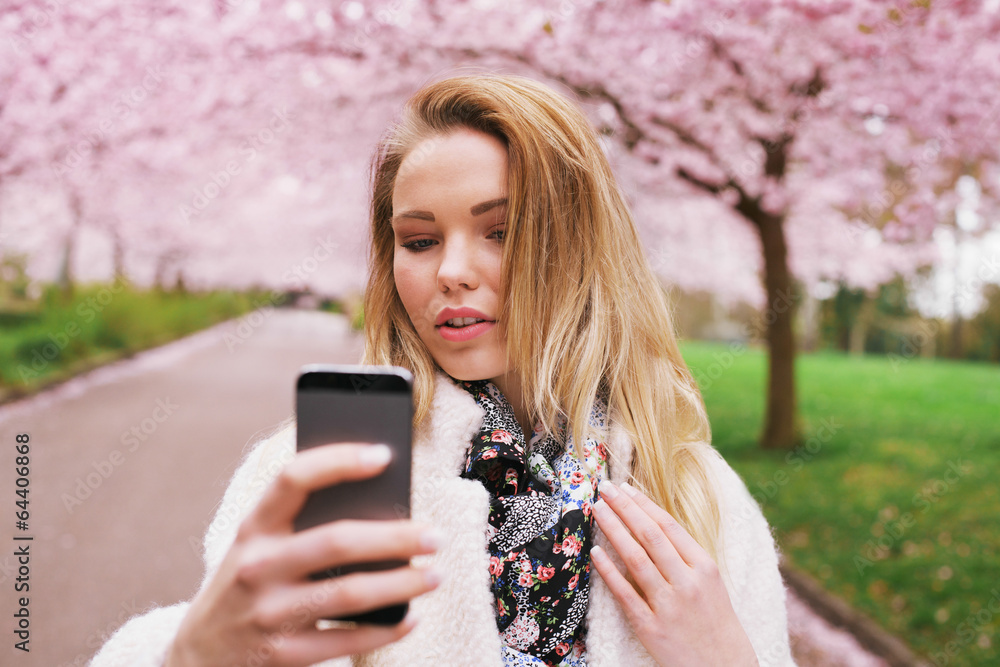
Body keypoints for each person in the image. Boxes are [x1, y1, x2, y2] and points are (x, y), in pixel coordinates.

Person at [92, 74, 795, 667]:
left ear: (579, 247)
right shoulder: (324, 477)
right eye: (420, 240)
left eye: (501, 231)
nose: (452, 272)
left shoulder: (695, 496)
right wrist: (189, 654)